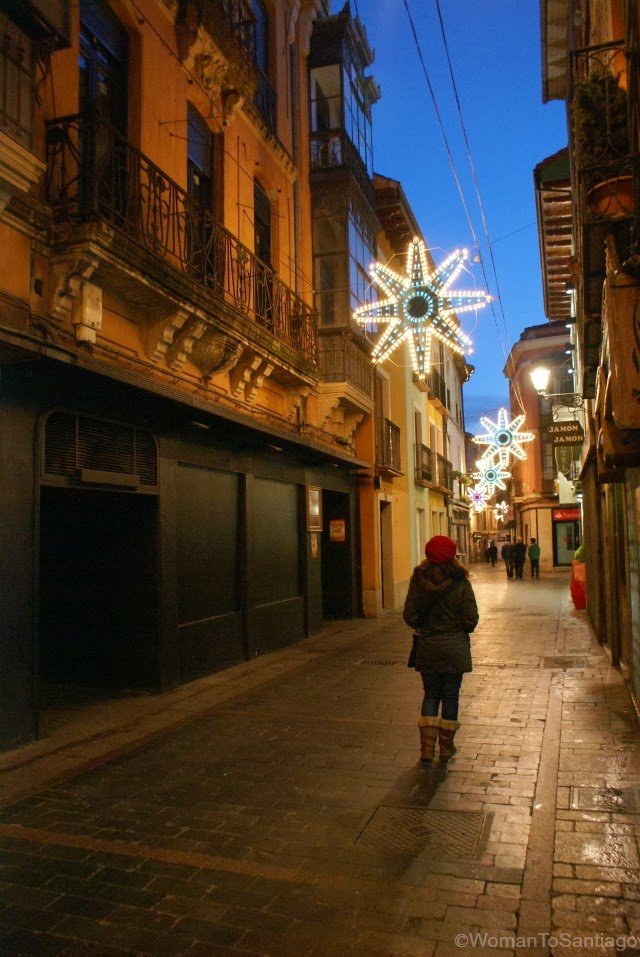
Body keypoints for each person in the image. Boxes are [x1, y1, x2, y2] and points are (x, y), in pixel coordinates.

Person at [403, 535, 479, 765]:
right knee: (450, 695)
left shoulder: (418, 580)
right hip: (455, 647)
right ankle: (446, 748)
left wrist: (425, 626)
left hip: (428, 645)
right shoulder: (461, 582)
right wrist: (459, 628)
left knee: (431, 694)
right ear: (452, 555)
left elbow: (410, 616)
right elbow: (471, 619)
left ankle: (426, 749)